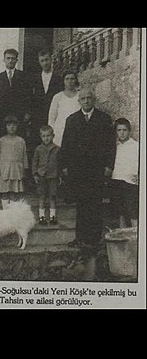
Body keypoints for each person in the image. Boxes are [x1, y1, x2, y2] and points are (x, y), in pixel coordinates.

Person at [60, 86, 116, 247]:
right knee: (81, 204)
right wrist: (64, 166)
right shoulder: (72, 119)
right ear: (79, 101)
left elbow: (110, 145)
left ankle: (95, 239)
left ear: (94, 100)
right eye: (83, 98)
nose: (86, 101)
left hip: (97, 168)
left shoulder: (104, 119)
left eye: (89, 98)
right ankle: (80, 238)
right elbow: (66, 145)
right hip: (78, 169)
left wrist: (109, 165)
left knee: (96, 204)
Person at [0, 49, 32, 137]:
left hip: (19, 115)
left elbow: (29, 96)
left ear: (17, 60)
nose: (10, 60)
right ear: (4, 60)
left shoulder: (23, 76)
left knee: (19, 138)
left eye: (13, 58)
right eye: (8, 58)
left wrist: (28, 112)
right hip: (3, 115)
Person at [111, 118, 139, 228]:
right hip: (117, 181)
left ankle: (136, 238)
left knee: (132, 212)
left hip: (130, 183)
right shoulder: (114, 146)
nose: (122, 133)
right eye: (119, 130)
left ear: (129, 131)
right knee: (120, 212)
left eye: (124, 130)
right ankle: (122, 235)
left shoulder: (136, 146)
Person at [0, 115, 28, 209]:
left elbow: (24, 156)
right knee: (5, 192)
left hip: (17, 170)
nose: (12, 127)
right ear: (5, 126)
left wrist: (24, 168)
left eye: (14, 125)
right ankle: (5, 212)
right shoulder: (1, 141)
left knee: (14, 192)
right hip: (5, 169)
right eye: (9, 125)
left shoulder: (21, 141)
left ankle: (12, 213)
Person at [32, 48, 63, 143]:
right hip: (38, 115)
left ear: (51, 60)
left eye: (46, 60)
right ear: (39, 62)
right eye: (42, 61)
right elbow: (31, 97)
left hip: (54, 115)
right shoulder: (34, 78)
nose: (45, 63)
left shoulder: (59, 78)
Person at [32, 125, 60, 225]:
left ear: (53, 136)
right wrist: (35, 174)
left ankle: (53, 216)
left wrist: (60, 175)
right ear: (40, 137)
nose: (46, 138)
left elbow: (59, 163)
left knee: (52, 196)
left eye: (48, 136)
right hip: (41, 176)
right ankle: (41, 216)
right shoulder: (38, 149)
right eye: (43, 136)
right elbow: (35, 162)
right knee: (42, 196)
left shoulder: (57, 149)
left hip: (53, 176)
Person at [48, 69, 80, 147]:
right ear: (63, 81)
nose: (69, 81)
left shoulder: (80, 96)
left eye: (72, 79)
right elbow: (52, 118)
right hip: (60, 133)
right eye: (67, 79)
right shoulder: (57, 97)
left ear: (76, 80)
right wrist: (53, 133)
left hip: (77, 131)